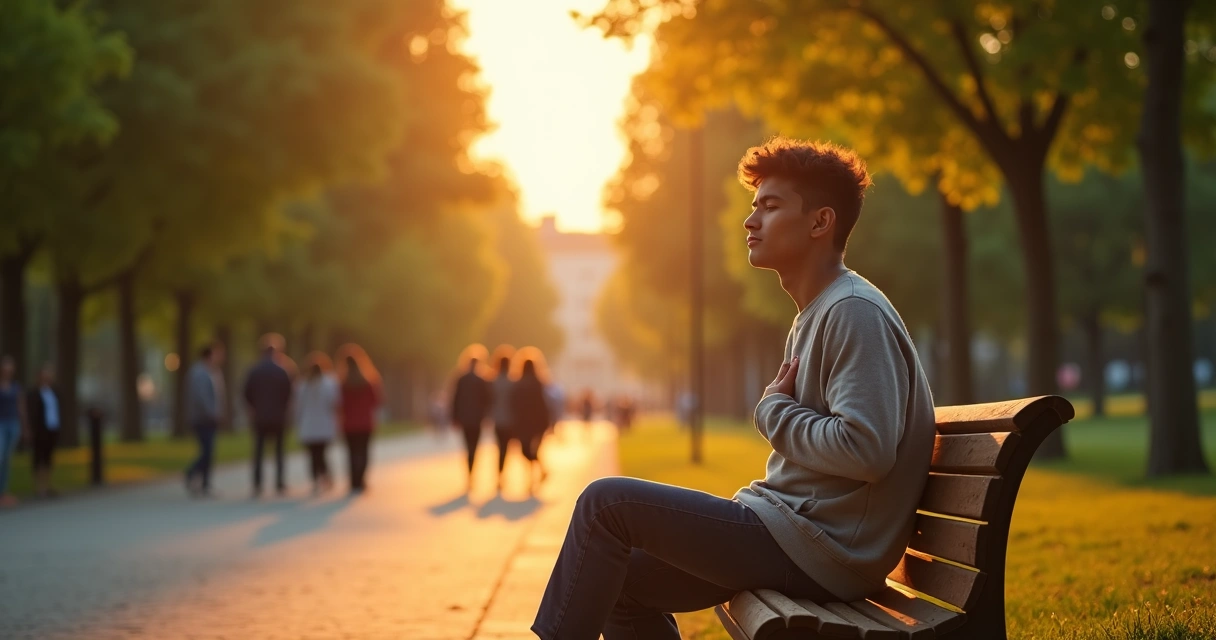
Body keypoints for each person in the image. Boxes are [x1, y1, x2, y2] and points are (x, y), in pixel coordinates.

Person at [532, 138, 937, 639]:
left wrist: (774, 411)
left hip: (821, 549)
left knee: (607, 504)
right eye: (754, 206)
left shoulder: (853, 311)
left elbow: (866, 450)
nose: (750, 221)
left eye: (770, 206)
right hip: (792, 532)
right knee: (621, 579)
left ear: (820, 222)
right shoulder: (818, 312)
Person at [244, 333, 294, 497]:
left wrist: (254, 407)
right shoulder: (283, 370)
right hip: (279, 416)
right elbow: (289, 393)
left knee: (258, 451)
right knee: (279, 451)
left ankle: (257, 483)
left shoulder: (254, 370)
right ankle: (279, 482)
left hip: (260, 416)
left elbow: (246, 393)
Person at [337, 344, 381, 495]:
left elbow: (339, 404)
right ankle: (361, 479)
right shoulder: (369, 381)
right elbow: (376, 401)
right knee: (363, 452)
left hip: (349, 423)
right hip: (365, 423)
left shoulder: (342, 383)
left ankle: (353, 481)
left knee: (351, 453)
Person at [295, 352, 341, 495]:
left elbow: (298, 406)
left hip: (309, 424)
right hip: (324, 424)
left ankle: (316, 479)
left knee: (313, 455)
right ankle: (325, 477)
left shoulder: (303, 385)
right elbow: (334, 403)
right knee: (321, 454)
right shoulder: (329, 383)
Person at [184, 343, 226, 497]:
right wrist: (212, 413)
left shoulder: (211, 371)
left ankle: (205, 483)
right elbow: (201, 397)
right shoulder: (200, 372)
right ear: (209, 355)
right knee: (207, 451)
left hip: (207, 418)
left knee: (209, 451)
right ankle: (192, 473)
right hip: (203, 418)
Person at [509, 348, 552, 494]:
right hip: (537, 423)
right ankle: (539, 471)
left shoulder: (518, 384)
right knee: (533, 450)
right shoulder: (538, 383)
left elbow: (514, 405)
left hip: (523, 423)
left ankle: (532, 478)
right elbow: (543, 405)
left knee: (525, 450)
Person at [450, 344, 492, 492]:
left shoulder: (461, 379)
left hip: (465, 418)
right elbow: (487, 400)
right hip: (477, 419)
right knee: (474, 446)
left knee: (468, 446)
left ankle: (470, 474)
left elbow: (455, 399)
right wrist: (486, 416)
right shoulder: (482, 380)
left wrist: (454, 417)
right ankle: (471, 471)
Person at [26, 364, 63, 499]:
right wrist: (29, 429)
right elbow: (31, 412)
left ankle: (47, 486)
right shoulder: (34, 393)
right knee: (38, 458)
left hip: (52, 428)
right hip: (39, 430)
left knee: (48, 458)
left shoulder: (54, 392)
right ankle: (39, 487)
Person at [0, 356, 29, 507]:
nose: (8, 371)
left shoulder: (16, 386)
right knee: (0, 456)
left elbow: (21, 407)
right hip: (1, 424)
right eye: (5, 368)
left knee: (7, 459)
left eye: (10, 368)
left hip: (13, 424)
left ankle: (3, 492)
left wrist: (25, 427)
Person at [488, 344, 516, 491]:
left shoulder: (492, 381)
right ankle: (502, 474)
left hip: (497, 420)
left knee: (500, 448)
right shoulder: (513, 382)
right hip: (510, 420)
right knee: (506, 448)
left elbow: (488, 401)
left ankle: (500, 475)